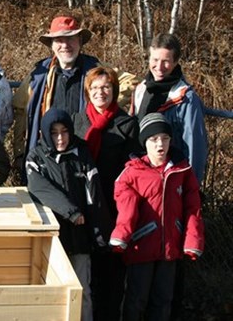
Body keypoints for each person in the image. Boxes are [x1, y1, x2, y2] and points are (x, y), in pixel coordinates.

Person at [109, 113, 204, 321]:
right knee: (136, 300)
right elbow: (126, 207)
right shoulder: (132, 172)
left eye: (165, 138)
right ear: (145, 143)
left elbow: (193, 208)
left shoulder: (182, 170)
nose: (160, 144)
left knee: (163, 301)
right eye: (153, 140)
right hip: (141, 246)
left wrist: (192, 240)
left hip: (170, 247)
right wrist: (121, 236)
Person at [26, 108, 109, 321]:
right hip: (53, 238)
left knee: (83, 292)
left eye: (64, 132)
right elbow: (39, 187)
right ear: (45, 133)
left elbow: (94, 196)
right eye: (54, 133)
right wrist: (71, 212)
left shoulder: (82, 154)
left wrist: (99, 235)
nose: (60, 138)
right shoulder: (36, 157)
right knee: (52, 292)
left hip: (80, 238)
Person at [73, 66, 141, 321]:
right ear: (87, 92)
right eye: (94, 88)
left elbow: (133, 171)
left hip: (113, 208)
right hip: (83, 205)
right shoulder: (78, 121)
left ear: (114, 90)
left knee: (110, 273)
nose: (100, 92)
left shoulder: (126, 124)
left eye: (105, 87)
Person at [13, 15, 99, 178]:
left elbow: (129, 85)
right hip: (46, 159)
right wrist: (19, 153)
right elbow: (21, 111)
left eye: (70, 39)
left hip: (83, 158)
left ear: (80, 41)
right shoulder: (38, 75)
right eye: (59, 40)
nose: (65, 45)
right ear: (52, 45)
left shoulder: (95, 70)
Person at [129, 33, 207, 184]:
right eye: (155, 59)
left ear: (176, 62)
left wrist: (191, 186)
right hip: (142, 175)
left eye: (166, 61)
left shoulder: (185, 99)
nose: (159, 67)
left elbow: (195, 146)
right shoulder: (140, 90)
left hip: (171, 178)